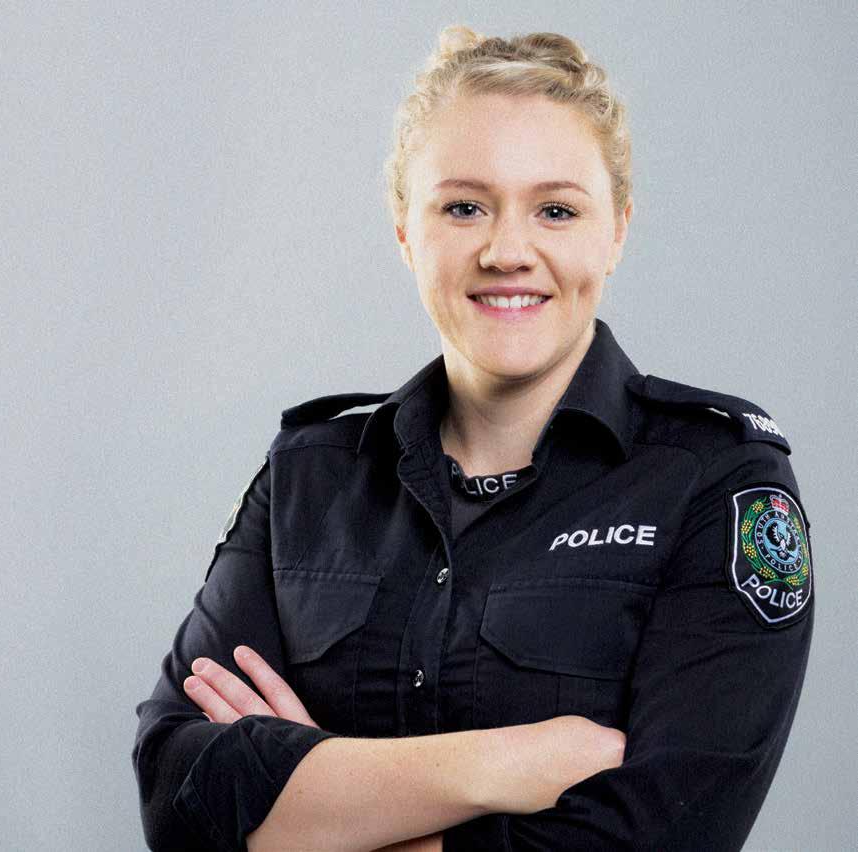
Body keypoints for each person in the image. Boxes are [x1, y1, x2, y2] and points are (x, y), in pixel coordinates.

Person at [131, 25, 814, 852]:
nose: (506, 251)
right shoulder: (307, 478)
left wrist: (323, 801)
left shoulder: (714, 479)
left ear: (616, 231)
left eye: (555, 210)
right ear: (403, 230)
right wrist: (501, 764)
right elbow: (176, 798)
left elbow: (665, 838)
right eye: (463, 207)